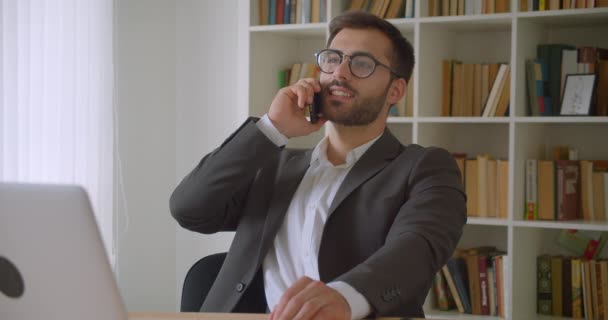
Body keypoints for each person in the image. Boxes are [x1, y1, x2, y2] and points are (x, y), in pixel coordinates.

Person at [170, 10, 466, 320]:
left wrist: (345, 298)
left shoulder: (423, 167)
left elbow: (417, 248)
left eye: (362, 64)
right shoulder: (275, 165)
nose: (340, 72)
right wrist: (273, 128)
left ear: (395, 90)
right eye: (332, 58)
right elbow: (189, 208)